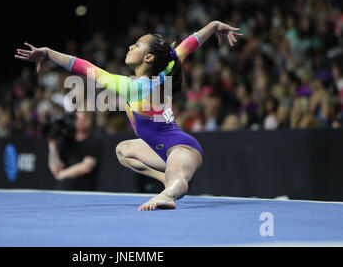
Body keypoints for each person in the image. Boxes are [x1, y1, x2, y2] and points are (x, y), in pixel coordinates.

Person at [16, 20, 242, 210]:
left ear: (149, 58)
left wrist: (48, 54)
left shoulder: (134, 87)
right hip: (158, 150)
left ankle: (168, 195)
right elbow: (189, 44)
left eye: (137, 45)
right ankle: (166, 181)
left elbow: (82, 66)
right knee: (123, 150)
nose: (131, 47)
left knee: (179, 179)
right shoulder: (166, 68)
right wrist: (212, 26)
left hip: (181, 147)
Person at [47, 111, 102, 191]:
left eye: (85, 119)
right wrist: (52, 144)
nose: (81, 122)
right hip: (62, 190)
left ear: (90, 120)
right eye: (78, 119)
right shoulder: (66, 139)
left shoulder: (95, 139)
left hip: (84, 191)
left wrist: (62, 174)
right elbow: (55, 169)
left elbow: (86, 167)